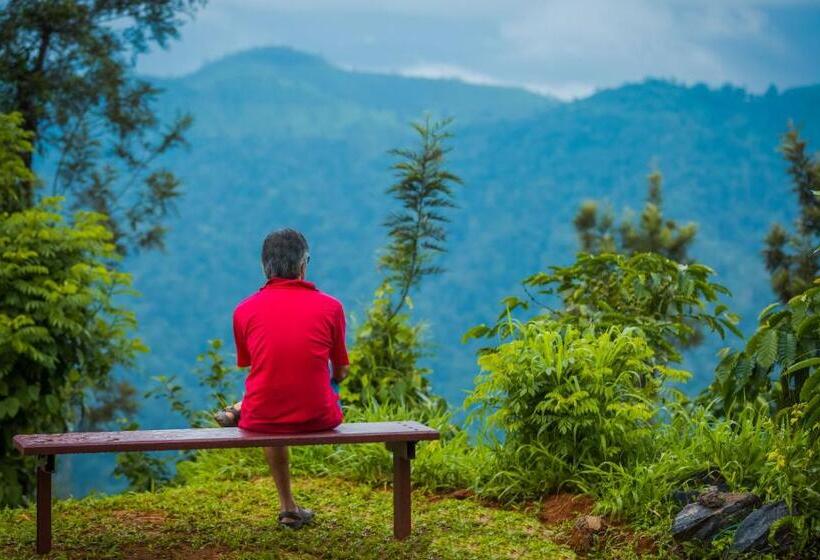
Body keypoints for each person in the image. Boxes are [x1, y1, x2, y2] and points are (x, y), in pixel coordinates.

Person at [214, 228, 350, 529]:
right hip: (320, 416)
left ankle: (287, 505)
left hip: (262, 417)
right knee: (297, 390)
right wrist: (329, 382)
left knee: (267, 396)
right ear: (304, 265)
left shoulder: (243, 311)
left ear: (265, 268)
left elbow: (254, 365)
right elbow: (340, 371)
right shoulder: (332, 307)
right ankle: (242, 407)